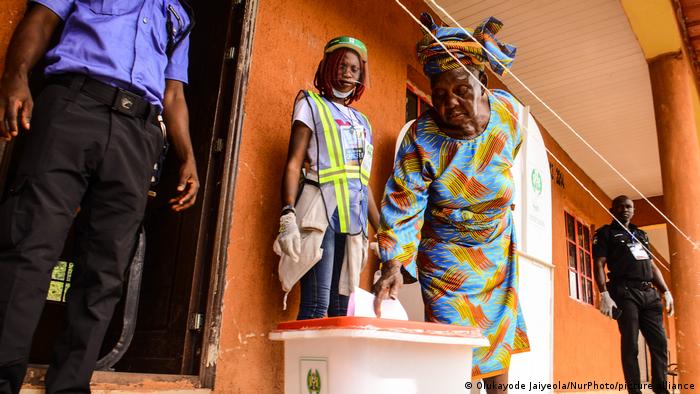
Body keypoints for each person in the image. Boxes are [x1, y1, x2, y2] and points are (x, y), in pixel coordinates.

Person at [0, 1, 199, 392]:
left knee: (106, 270)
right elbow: (41, 20)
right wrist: (16, 75)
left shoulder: (180, 13)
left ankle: (70, 385)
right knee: (30, 245)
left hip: (138, 134)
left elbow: (173, 92)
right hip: (73, 107)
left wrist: (187, 156)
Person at [373, 13, 528, 391]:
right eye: (439, 95)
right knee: (451, 341)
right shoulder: (421, 138)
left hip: (495, 247)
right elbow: (404, 201)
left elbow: (509, 155)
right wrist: (394, 262)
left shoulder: (506, 114)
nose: (450, 103)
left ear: (482, 83)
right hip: (445, 253)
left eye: (461, 90)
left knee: (496, 338)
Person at [274, 36, 380, 320]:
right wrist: (287, 215)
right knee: (317, 304)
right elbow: (294, 162)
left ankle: (330, 366)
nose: (347, 73)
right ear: (329, 66)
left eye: (354, 69)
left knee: (340, 310)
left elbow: (362, 181)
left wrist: (382, 231)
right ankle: (310, 366)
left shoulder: (363, 122)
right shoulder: (310, 104)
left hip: (353, 220)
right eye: (342, 66)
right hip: (320, 213)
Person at [593, 196, 673, 394]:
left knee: (660, 343)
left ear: (634, 210)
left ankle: (661, 389)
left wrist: (666, 291)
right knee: (631, 343)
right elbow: (599, 263)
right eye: (619, 207)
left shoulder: (641, 234)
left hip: (649, 294)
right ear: (612, 210)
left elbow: (652, 266)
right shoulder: (606, 233)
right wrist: (603, 293)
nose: (624, 210)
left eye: (628, 206)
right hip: (625, 291)